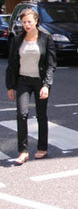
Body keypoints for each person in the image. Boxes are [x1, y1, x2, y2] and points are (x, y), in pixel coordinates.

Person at [5, 8, 57, 165]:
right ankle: (23, 151)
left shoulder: (46, 39)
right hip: (23, 81)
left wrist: (46, 85)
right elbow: (11, 64)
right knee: (21, 114)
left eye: (29, 21)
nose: (26, 24)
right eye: (24, 22)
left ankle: (42, 147)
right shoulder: (17, 40)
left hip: (40, 82)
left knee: (41, 115)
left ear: (36, 21)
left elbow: (51, 64)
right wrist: (10, 86)